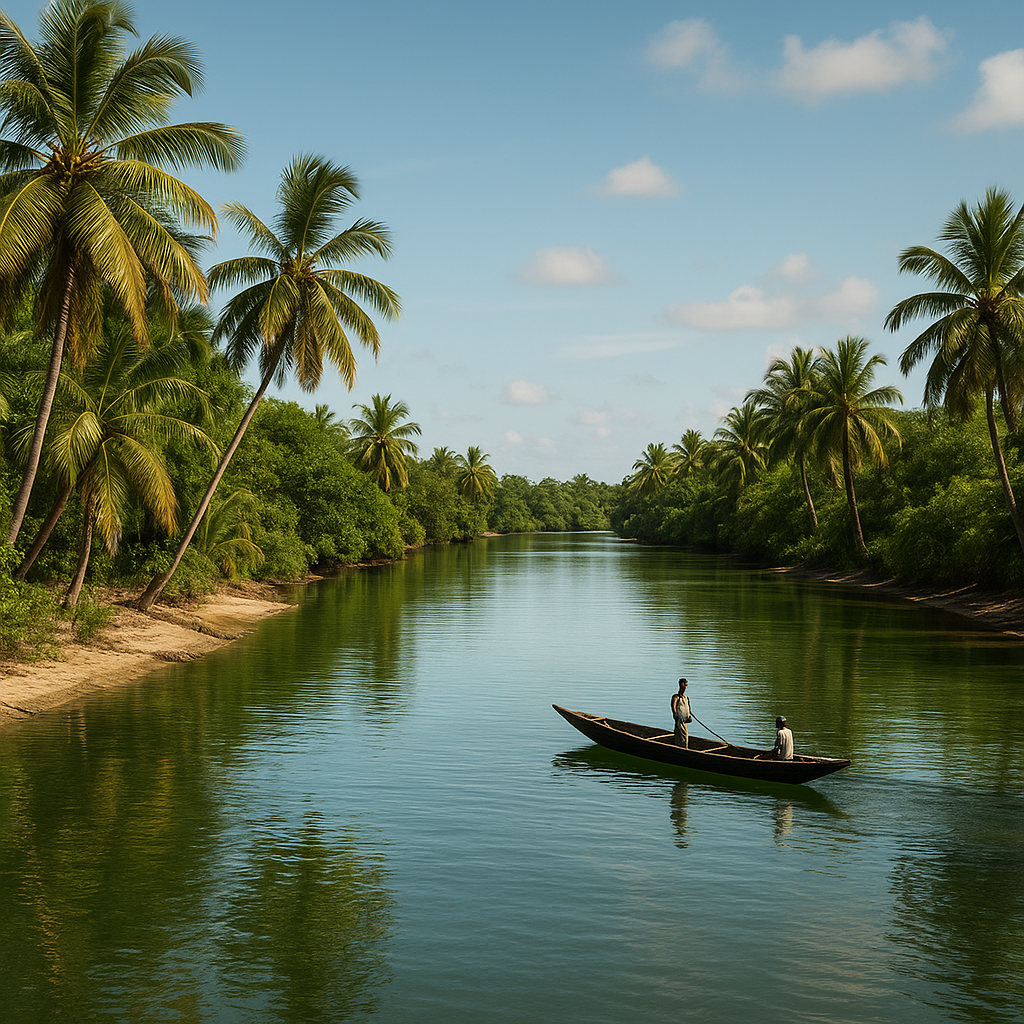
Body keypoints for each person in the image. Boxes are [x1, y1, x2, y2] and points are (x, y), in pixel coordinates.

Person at [671, 678, 692, 748]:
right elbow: (673, 707)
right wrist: (675, 716)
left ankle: (683, 748)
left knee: (685, 737)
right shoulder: (676, 697)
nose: (685, 687)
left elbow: (688, 710)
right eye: (684, 685)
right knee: (680, 736)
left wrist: (689, 717)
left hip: (685, 721)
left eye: (686, 685)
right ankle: (680, 748)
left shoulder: (686, 698)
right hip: (679, 721)